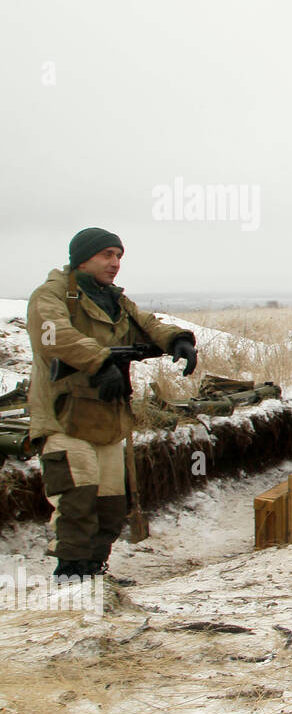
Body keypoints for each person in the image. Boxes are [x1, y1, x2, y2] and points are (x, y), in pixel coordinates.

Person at [27, 228, 198, 577]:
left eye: (119, 256)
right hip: (65, 419)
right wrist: (100, 360)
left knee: (111, 505)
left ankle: (94, 571)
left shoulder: (114, 300)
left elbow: (147, 324)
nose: (115, 263)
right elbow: (53, 336)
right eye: (107, 255)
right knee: (77, 499)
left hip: (106, 419)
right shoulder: (51, 294)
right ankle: (71, 577)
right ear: (82, 258)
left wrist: (177, 340)